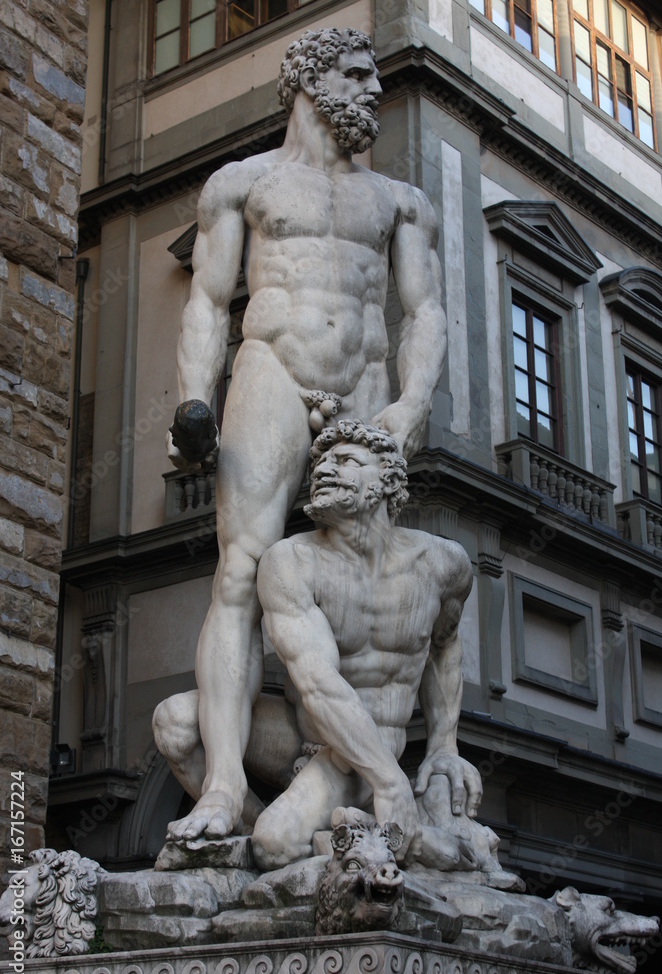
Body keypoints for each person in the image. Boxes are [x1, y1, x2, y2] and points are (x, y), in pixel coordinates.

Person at [165, 27, 447, 842]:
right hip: (272, 372)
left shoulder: (400, 200)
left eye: (374, 78)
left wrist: (410, 404)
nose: (372, 91)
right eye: (358, 75)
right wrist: (193, 405)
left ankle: (362, 777)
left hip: (363, 383)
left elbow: (424, 310)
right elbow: (209, 304)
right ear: (311, 80)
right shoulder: (242, 184)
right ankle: (221, 788)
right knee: (241, 574)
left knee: (360, 577)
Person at [250, 420, 480, 867]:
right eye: (321, 463)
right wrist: (393, 786)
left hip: (358, 753)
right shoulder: (291, 561)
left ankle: (320, 832)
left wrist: (443, 746)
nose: (325, 470)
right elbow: (317, 683)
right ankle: (309, 832)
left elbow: (445, 647)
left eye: (347, 461)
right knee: (176, 723)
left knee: (274, 843)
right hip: (303, 731)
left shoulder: (442, 564)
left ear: (389, 480)